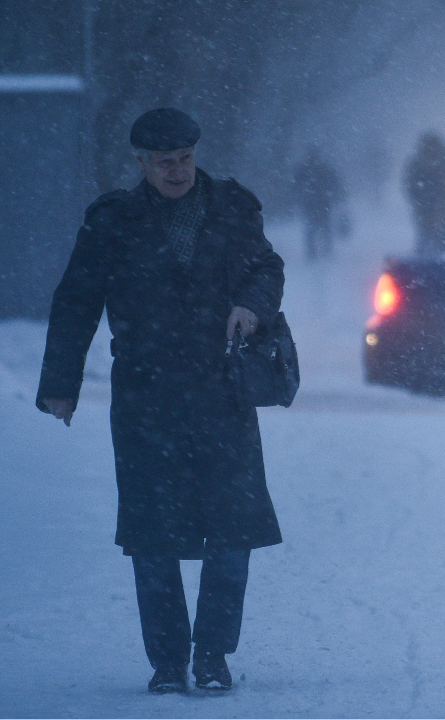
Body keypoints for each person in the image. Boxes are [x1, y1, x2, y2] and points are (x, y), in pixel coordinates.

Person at [36, 108, 284, 694]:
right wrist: (59, 384)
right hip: (147, 395)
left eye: (186, 159)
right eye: (165, 162)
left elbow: (266, 268)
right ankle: (168, 661)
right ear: (141, 163)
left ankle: (213, 656)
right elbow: (77, 300)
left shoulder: (232, 207)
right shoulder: (113, 220)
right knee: (152, 533)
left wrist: (252, 305)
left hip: (222, 389)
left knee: (231, 528)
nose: (178, 171)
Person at [294, 147, 347, 261]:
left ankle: (316, 252)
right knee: (320, 226)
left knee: (315, 227)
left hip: (315, 202)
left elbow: (297, 185)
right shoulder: (323, 169)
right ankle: (321, 251)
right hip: (320, 202)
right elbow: (335, 183)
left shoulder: (306, 169)